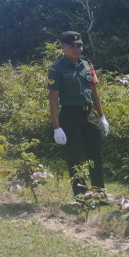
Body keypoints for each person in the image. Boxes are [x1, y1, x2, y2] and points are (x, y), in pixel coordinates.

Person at [47, 31, 110, 198]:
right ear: (63, 47)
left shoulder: (87, 64)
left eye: (80, 45)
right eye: (73, 46)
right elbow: (53, 100)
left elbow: (94, 92)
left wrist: (102, 117)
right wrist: (57, 127)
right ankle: (80, 195)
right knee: (74, 157)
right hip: (69, 115)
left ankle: (99, 193)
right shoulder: (56, 68)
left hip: (89, 114)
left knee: (95, 155)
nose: (78, 49)